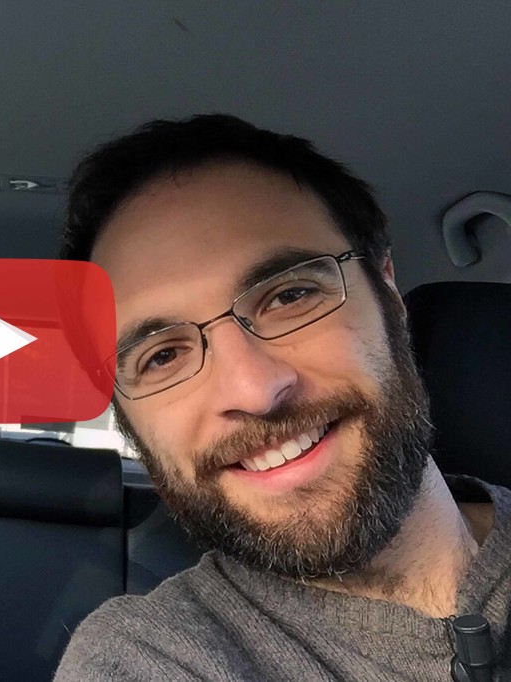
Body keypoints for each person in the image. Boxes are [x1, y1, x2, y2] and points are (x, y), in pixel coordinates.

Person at [55, 114, 510, 680]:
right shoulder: (142, 658)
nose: (255, 390)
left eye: (290, 296)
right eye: (162, 356)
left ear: (388, 291)